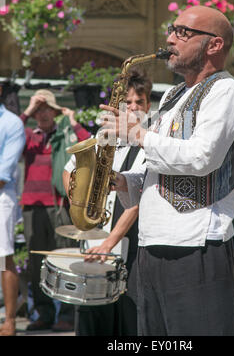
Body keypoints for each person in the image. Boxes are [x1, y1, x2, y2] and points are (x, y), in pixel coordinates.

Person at [99, 5, 234, 336]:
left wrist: (137, 134)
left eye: (183, 32)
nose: (170, 38)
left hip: (196, 245)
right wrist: (125, 181)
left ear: (214, 45)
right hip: (153, 244)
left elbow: (201, 158)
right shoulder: (173, 94)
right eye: (172, 29)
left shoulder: (226, 90)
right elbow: (161, 170)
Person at [63, 69, 152, 336]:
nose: (134, 107)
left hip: (129, 248)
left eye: (140, 102)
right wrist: (77, 201)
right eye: (129, 102)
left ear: (149, 107)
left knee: (127, 321)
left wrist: (108, 244)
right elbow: (68, 170)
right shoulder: (103, 136)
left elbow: (136, 205)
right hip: (94, 239)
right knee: (91, 319)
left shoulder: (151, 144)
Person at [20, 89, 90, 332]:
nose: (42, 113)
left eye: (46, 108)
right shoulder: (28, 135)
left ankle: (67, 315)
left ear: (56, 111)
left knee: (64, 260)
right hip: (33, 206)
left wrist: (72, 121)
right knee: (36, 261)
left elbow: (87, 146)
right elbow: (5, 137)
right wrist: (27, 110)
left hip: (59, 205)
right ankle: (43, 313)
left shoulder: (66, 135)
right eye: (38, 109)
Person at [0, 84, 25, 336]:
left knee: (3, 257)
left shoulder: (12, 123)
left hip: (1, 197)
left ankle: (9, 320)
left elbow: (3, 173)